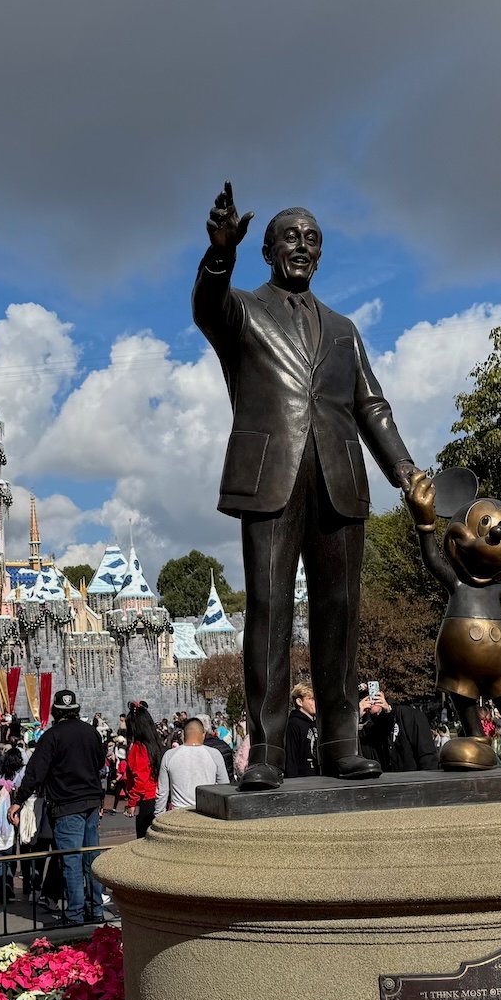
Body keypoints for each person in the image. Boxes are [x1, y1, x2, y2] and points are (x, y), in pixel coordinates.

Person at [193, 186, 422, 789]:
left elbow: (371, 404)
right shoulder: (242, 311)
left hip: (340, 478)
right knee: (268, 611)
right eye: (291, 236)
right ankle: (265, 751)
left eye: (313, 238)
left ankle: (342, 743)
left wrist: (404, 469)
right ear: (267, 249)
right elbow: (206, 306)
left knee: (339, 612)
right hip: (271, 477)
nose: (303, 245)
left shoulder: (344, 330)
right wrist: (219, 255)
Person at [14, 688, 108, 927]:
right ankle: (95, 909)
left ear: (55, 711)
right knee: (92, 859)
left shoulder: (51, 736)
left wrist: (18, 800)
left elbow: (35, 772)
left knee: (71, 861)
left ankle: (75, 914)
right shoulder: (91, 733)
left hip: (67, 805)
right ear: (75, 709)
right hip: (91, 802)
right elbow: (100, 765)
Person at [157, 717, 231, 815]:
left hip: (178, 814)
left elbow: (162, 791)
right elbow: (225, 787)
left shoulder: (169, 755)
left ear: (183, 735)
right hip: (207, 813)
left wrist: (158, 814)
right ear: (203, 735)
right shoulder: (214, 754)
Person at [357, 685, 439, 773]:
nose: (370, 700)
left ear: (382, 694)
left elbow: (428, 757)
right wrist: (355, 717)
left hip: (414, 780)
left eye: (373, 695)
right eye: (364, 698)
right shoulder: (367, 728)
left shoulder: (410, 716)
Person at [118, 702, 162, 838]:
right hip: (157, 796)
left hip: (146, 799)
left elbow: (140, 779)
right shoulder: (155, 745)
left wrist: (132, 802)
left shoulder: (139, 748)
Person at [0, 746, 22, 906]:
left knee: (0, 865)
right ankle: (8, 889)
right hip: (11, 825)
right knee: (11, 861)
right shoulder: (18, 776)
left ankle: (1, 893)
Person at [284, 684, 317, 778]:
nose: (316, 702)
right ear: (299, 702)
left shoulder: (316, 723)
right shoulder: (293, 724)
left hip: (318, 777)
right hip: (301, 780)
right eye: (311, 699)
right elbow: (291, 756)